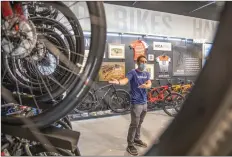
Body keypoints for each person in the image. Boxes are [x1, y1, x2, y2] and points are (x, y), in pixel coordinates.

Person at [109, 55, 152, 156]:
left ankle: (136, 139)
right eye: (142, 62)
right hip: (136, 103)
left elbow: (149, 83)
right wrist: (119, 82)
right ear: (138, 62)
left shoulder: (146, 73)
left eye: (145, 62)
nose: (144, 63)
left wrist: (147, 85)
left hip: (144, 102)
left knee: (139, 123)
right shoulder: (133, 72)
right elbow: (125, 80)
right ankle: (130, 145)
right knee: (134, 124)